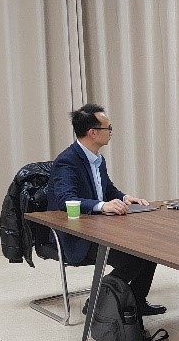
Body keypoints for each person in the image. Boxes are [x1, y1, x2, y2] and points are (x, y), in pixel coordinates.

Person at [46, 103, 166, 316]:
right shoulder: (67, 161)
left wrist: (125, 198)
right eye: (108, 128)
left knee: (149, 249)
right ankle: (95, 302)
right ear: (93, 132)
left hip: (99, 228)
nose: (111, 132)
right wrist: (102, 206)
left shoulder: (97, 159)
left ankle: (137, 302)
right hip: (77, 235)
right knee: (135, 258)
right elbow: (66, 200)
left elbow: (107, 189)